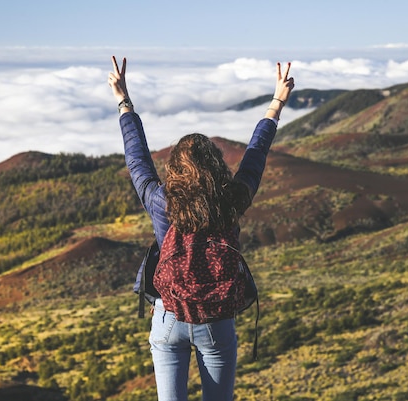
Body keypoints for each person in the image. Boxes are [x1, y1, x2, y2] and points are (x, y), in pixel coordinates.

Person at [108, 56, 294, 401]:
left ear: (175, 169)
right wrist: (276, 103)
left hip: (168, 316)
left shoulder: (161, 202)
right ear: (216, 166)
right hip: (217, 321)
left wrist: (123, 101)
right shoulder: (230, 202)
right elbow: (255, 157)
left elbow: (136, 159)